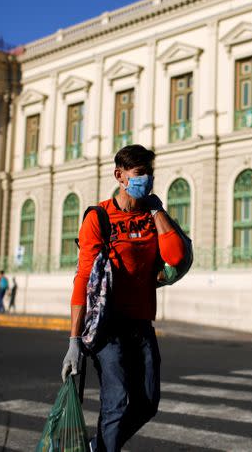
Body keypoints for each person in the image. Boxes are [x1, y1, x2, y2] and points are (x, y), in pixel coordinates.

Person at [61, 144, 187, 452]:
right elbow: (84, 280)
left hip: (141, 324)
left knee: (146, 402)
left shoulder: (151, 216)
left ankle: (99, 447)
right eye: (140, 173)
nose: (147, 180)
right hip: (108, 327)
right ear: (120, 176)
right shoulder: (99, 218)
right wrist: (74, 341)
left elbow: (176, 256)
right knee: (116, 402)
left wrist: (157, 211)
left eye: (150, 173)